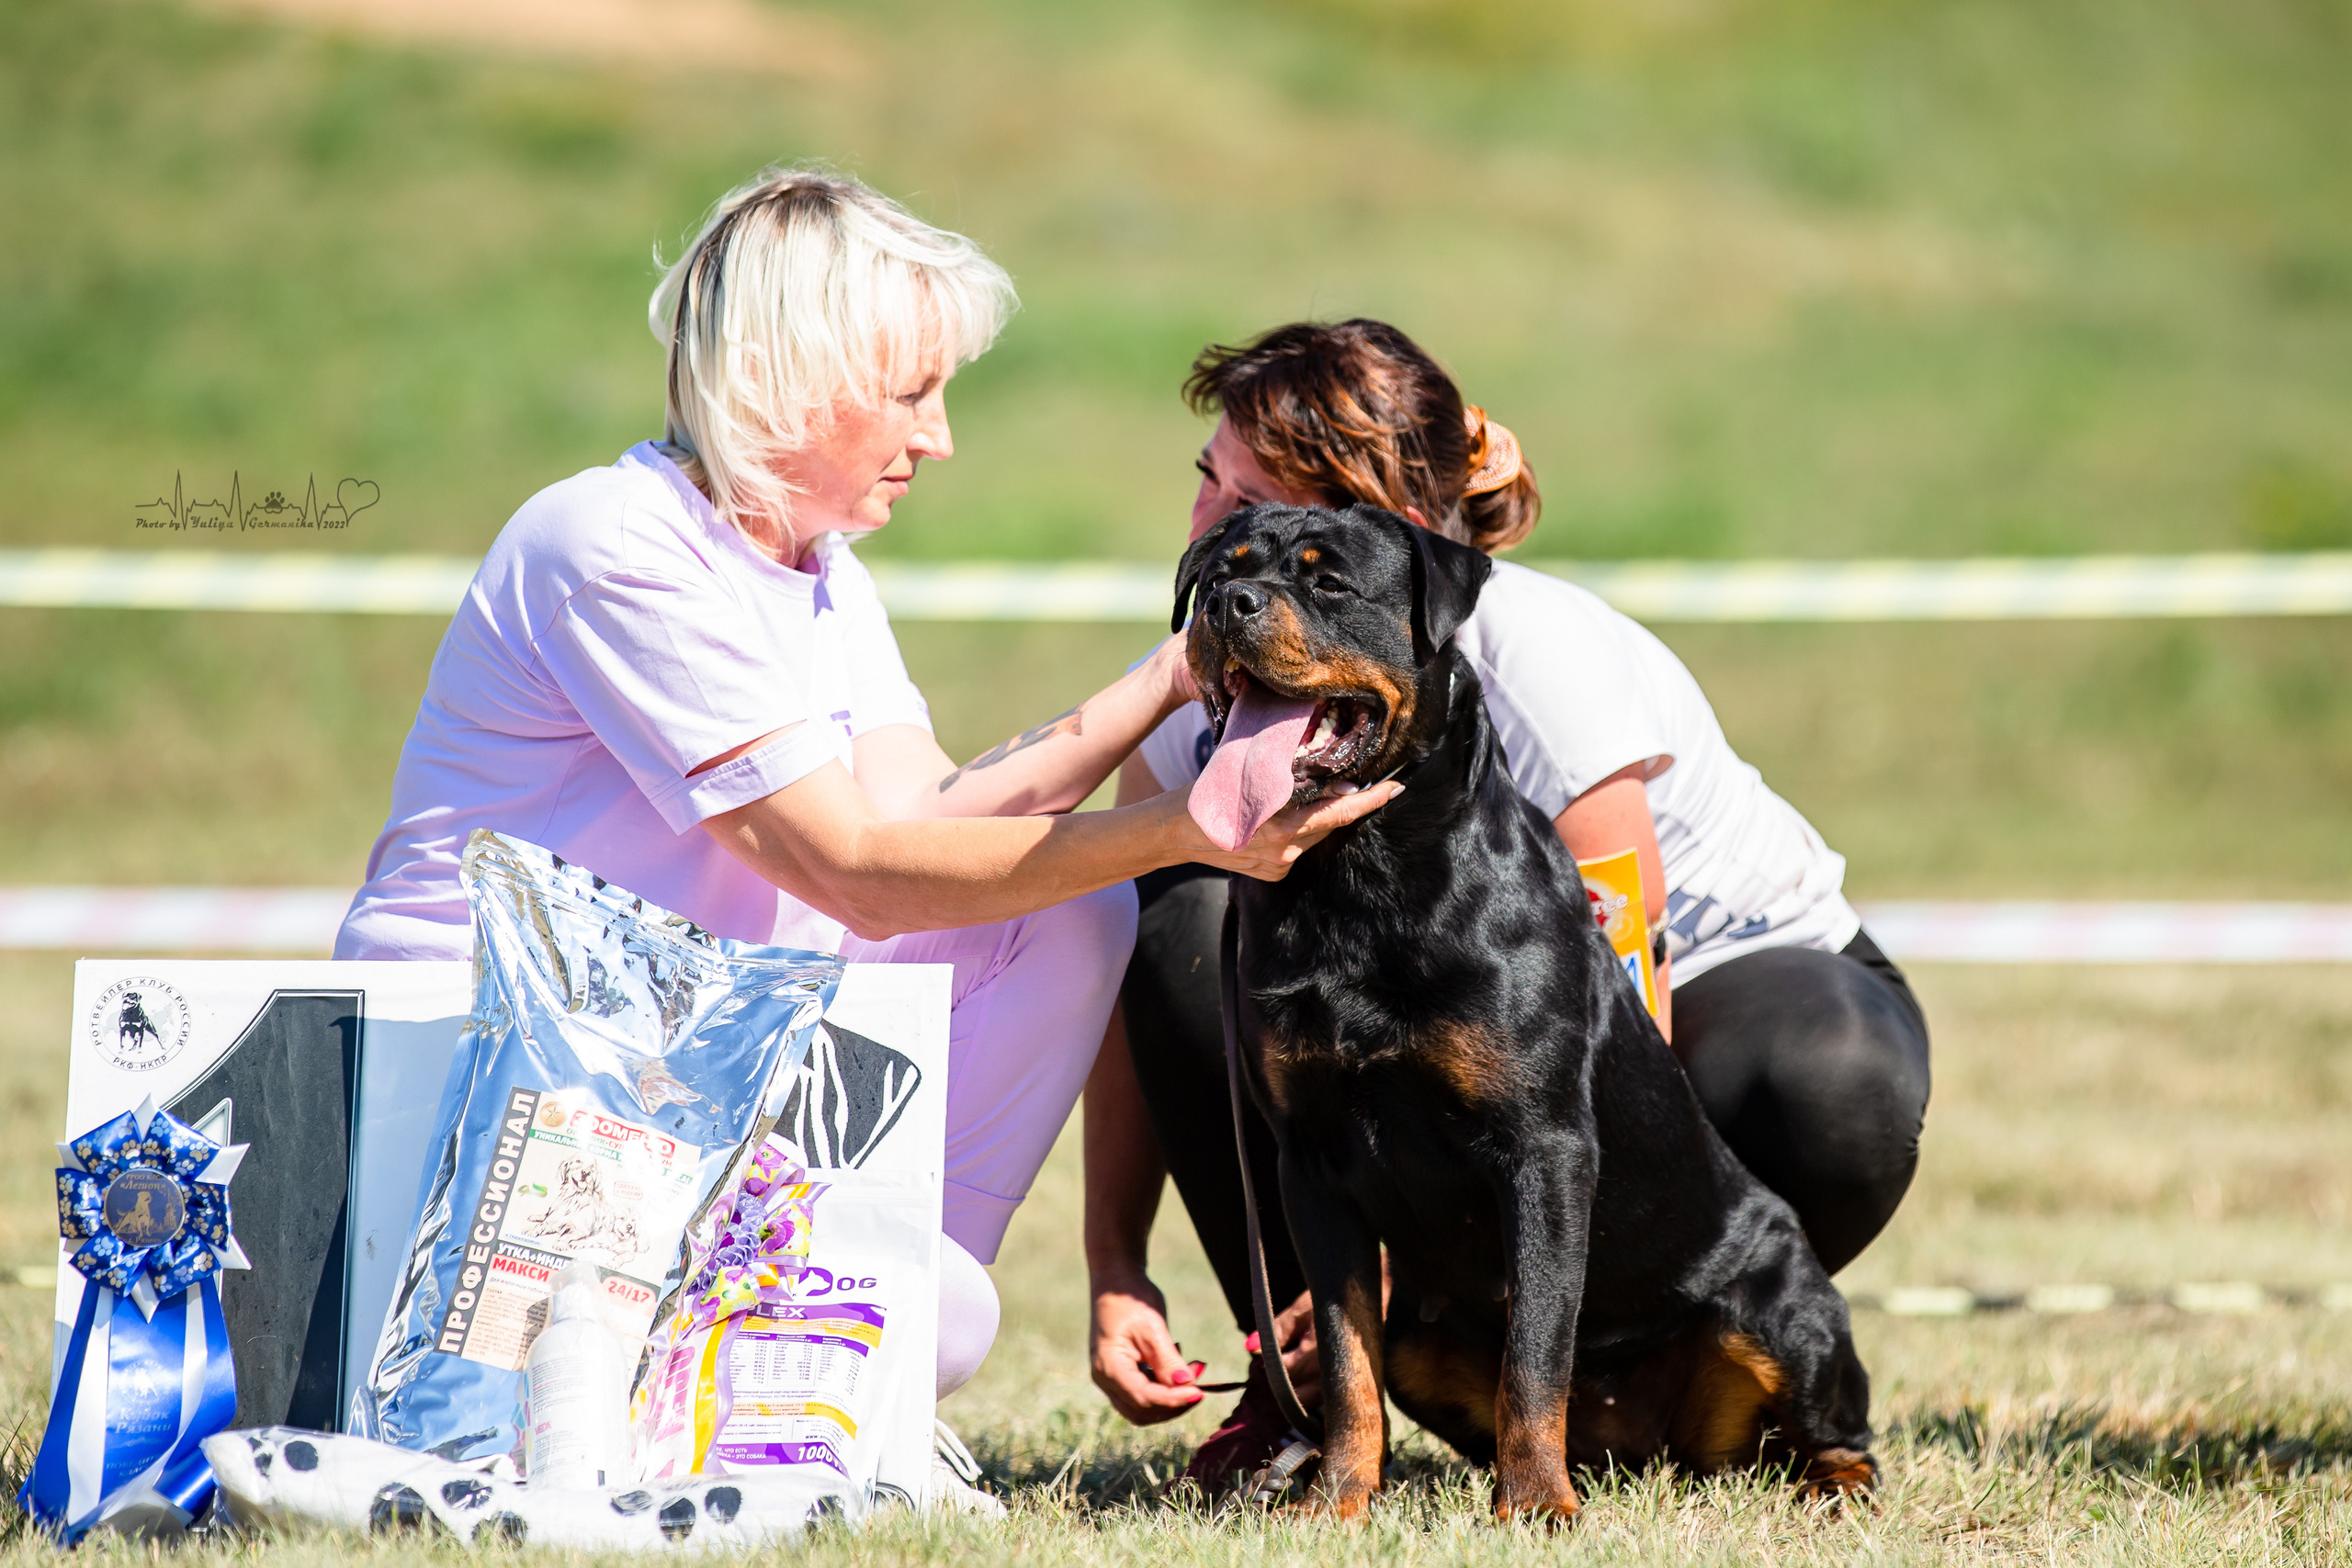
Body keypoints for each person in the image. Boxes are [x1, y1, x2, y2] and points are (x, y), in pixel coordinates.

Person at [334, 171, 1399, 1504]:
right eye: (912, 392)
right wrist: (1177, 824)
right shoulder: (610, 544)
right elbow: (856, 868)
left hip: (655, 1078)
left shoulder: (823, 569)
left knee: (1061, 936)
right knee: (941, 1300)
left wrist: (1170, 677)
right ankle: (815, 1359)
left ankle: (840, 1347)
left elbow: (929, 821)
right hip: (486, 1095)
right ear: (788, 375)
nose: (940, 437)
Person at [1082, 318, 1932, 1488]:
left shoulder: (1528, 653)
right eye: (1209, 493)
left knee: (1829, 1081)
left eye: (1255, 503)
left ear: (1371, 532)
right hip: (1428, 1013)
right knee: (1185, 927)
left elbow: (1613, 1020)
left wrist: (1575, 1259)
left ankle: (1652, 1376)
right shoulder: (1213, 682)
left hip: (1726, 993)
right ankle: (1306, 1403)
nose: (1217, 538)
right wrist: (1112, 1261)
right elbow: (1128, 991)